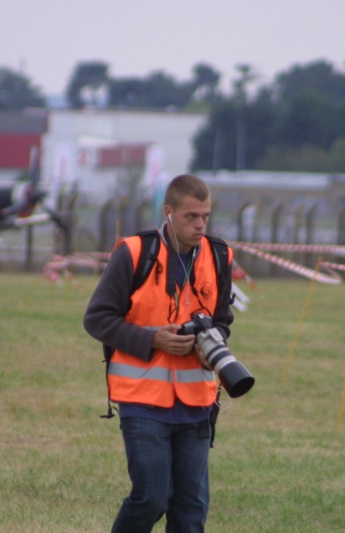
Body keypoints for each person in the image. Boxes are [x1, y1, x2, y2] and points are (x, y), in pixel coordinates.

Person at [83, 174, 235, 532]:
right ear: (169, 212)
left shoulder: (219, 255)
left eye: (206, 216)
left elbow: (224, 321)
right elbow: (97, 319)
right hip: (142, 401)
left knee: (191, 508)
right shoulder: (134, 252)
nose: (200, 225)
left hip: (197, 401)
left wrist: (209, 345)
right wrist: (153, 339)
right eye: (191, 216)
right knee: (151, 498)